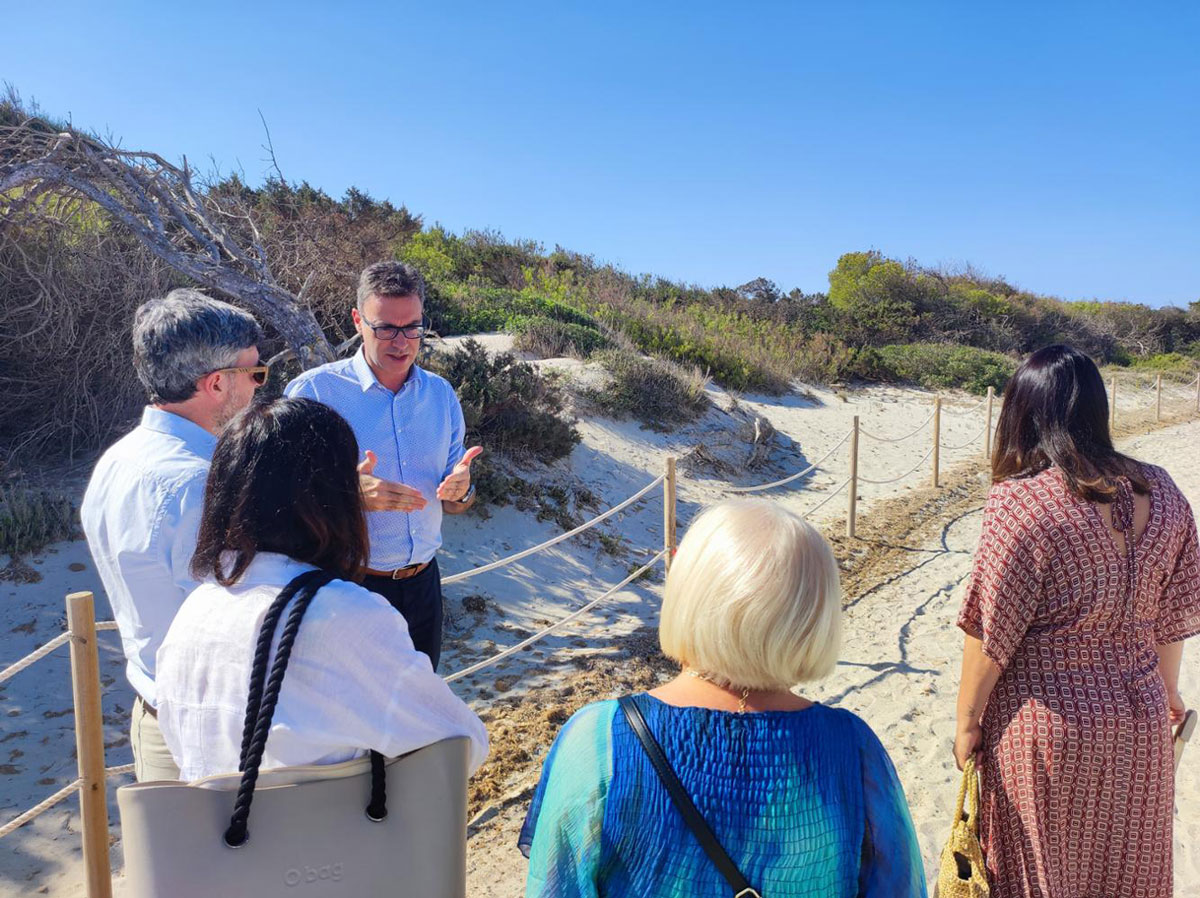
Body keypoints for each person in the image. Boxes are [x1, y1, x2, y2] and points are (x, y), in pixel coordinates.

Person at [520, 498, 926, 897]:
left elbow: (554, 885)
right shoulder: (854, 749)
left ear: (688, 589)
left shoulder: (598, 740)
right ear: (814, 612)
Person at [954, 345, 1200, 898]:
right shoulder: (1165, 492)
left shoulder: (1022, 502)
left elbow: (992, 633)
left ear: (1022, 413)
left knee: (1039, 877)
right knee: (1127, 876)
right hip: (1139, 726)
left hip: (1045, 728)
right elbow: (1172, 618)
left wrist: (966, 721)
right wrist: (1166, 690)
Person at [155, 397, 488, 781]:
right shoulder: (343, 617)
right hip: (321, 837)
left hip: (213, 836)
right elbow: (462, 744)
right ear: (331, 499)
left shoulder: (192, 614)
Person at [81, 289, 264, 781]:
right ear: (218, 383)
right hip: (216, 736)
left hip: (154, 710)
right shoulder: (200, 484)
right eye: (256, 374)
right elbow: (242, 618)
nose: (258, 390)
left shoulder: (116, 459)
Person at [284, 261, 478, 670]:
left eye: (412, 327)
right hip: (347, 587)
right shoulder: (314, 392)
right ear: (357, 320)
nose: (401, 341)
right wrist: (347, 496)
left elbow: (457, 500)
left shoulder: (442, 396)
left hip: (424, 584)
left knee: (417, 716)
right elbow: (282, 505)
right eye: (385, 327)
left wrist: (462, 490)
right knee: (352, 725)